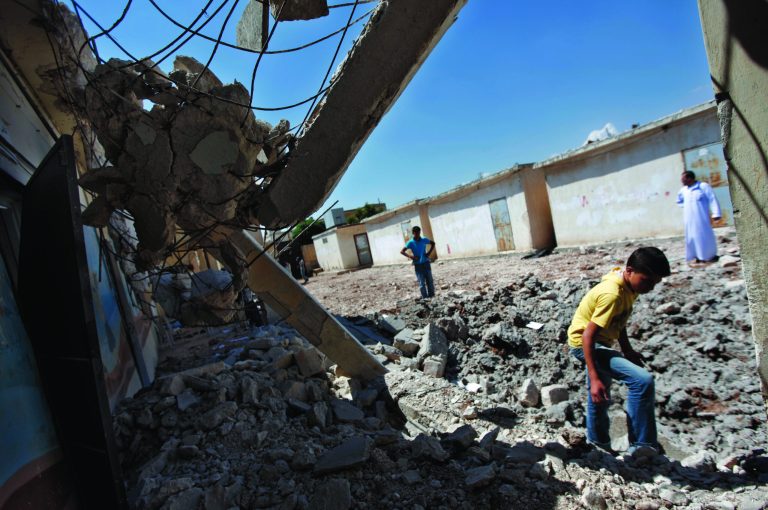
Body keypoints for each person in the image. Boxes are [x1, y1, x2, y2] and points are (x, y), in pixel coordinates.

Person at [568, 247, 671, 456]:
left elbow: (618, 320)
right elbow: (587, 336)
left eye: (655, 283)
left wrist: (628, 350)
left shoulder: (629, 288)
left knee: (599, 397)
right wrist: (594, 377)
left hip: (599, 343)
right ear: (630, 270)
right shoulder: (612, 294)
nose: (650, 287)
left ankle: (598, 444)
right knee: (642, 381)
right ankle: (642, 446)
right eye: (647, 280)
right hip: (586, 345)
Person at [677, 170, 721, 264]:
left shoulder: (703, 186)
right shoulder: (683, 190)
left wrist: (716, 213)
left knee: (704, 235)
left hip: (701, 218)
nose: (682, 181)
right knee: (691, 237)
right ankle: (694, 256)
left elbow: (712, 199)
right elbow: (679, 201)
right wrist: (687, 206)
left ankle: (708, 256)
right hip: (689, 219)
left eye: (683, 179)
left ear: (690, 178)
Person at [400, 226, 436, 298]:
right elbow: (402, 251)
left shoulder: (424, 240)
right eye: (416, 233)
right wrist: (411, 256)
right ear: (413, 233)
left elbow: (433, 243)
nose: (418, 235)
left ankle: (432, 296)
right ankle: (425, 298)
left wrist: (428, 253)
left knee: (430, 281)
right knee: (421, 283)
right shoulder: (410, 242)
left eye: (419, 233)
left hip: (426, 263)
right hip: (418, 265)